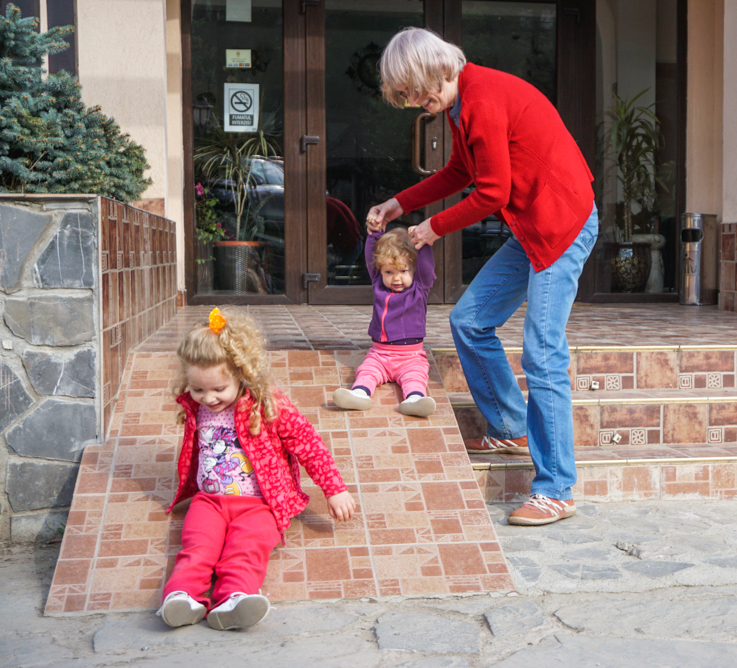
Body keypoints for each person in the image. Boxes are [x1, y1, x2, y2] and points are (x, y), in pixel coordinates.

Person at [366, 28, 598, 526]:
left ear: (429, 72)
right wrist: (400, 202)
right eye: (404, 97)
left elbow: (492, 192)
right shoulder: (460, 104)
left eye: (409, 92)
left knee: (542, 351)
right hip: (530, 226)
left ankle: (557, 489)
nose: (411, 104)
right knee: (469, 320)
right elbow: (459, 171)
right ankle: (513, 427)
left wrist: (429, 228)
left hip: (562, 222)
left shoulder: (482, 98)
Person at [158, 308, 355, 630]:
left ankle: (234, 599)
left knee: (246, 550)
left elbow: (308, 443)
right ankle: (181, 597)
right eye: (198, 390)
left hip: (260, 505)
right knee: (197, 547)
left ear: (242, 373)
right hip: (209, 502)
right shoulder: (195, 405)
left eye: (218, 389)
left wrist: (334, 489)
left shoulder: (267, 405)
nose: (208, 398)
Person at [332, 226, 437, 417]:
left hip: (410, 357)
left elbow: (427, 268)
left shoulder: (419, 288)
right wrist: (375, 234)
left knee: (415, 377)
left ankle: (414, 399)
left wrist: (421, 243)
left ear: (414, 269)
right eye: (389, 272)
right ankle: (360, 394)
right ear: (380, 271)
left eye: (403, 271)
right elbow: (371, 258)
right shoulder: (379, 286)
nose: (396, 278)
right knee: (366, 371)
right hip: (379, 355)